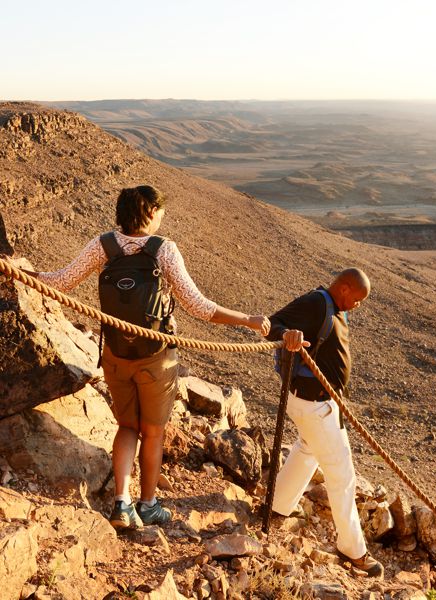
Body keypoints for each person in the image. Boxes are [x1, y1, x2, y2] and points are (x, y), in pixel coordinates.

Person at [30, 185, 270, 530]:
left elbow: (60, 282)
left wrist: (21, 272)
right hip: (156, 358)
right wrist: (247, 319)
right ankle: (148, 505)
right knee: (153, 432)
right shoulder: (164, 251)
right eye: (160, 211)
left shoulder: (104, 246)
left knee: (127, 426)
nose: (163, 217)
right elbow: (199, 307)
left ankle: (121, 503)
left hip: (115, 353)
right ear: (150, 212)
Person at [266, 267, 383, 578]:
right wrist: (285, 335)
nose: (358, 306)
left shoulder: (333, 306)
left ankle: (276, 505)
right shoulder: (317, 303)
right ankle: (352, 550)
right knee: (342, 474)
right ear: (344, 288)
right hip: (313, 404)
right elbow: (271, 324)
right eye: (357, 299)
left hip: (317, 403)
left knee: (308, 450)